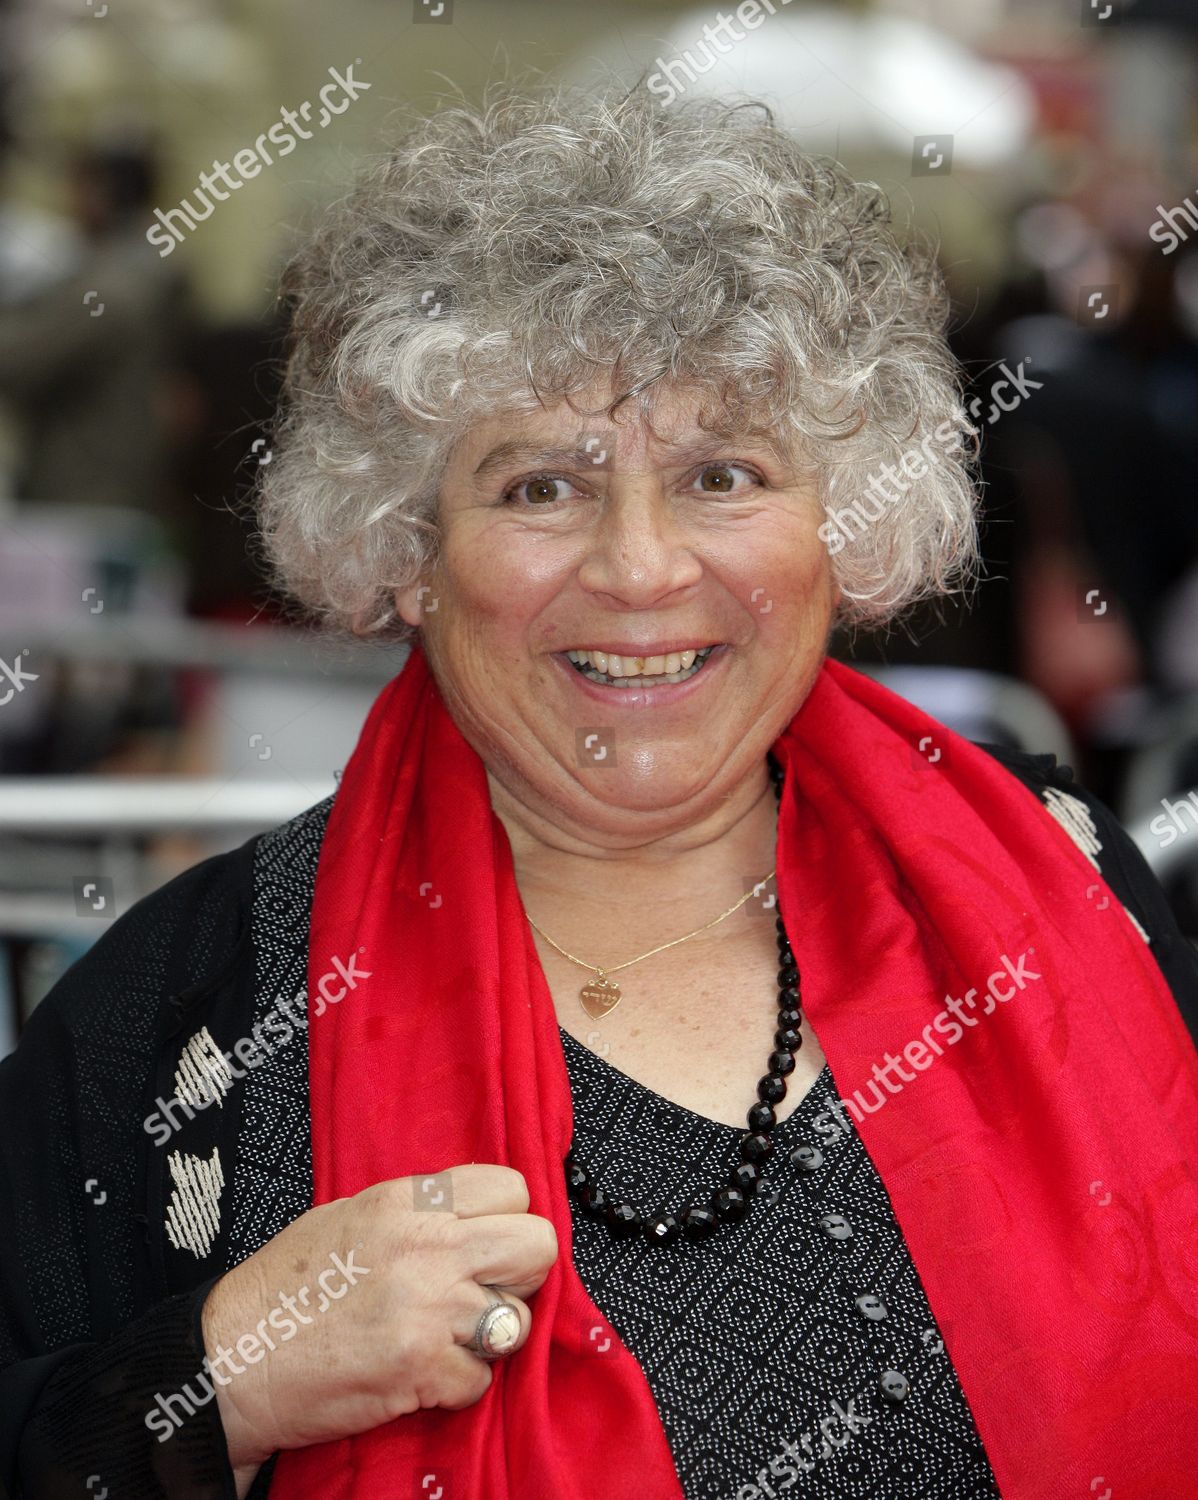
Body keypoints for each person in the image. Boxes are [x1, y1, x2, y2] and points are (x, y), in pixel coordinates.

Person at [3, 78, 1198, 1500]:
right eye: (537, 489)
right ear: (402, 550)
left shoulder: (1061, 875)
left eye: (722, 473)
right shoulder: (177, 1020)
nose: (639, 569)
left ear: (847, 529)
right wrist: (211, 1383)